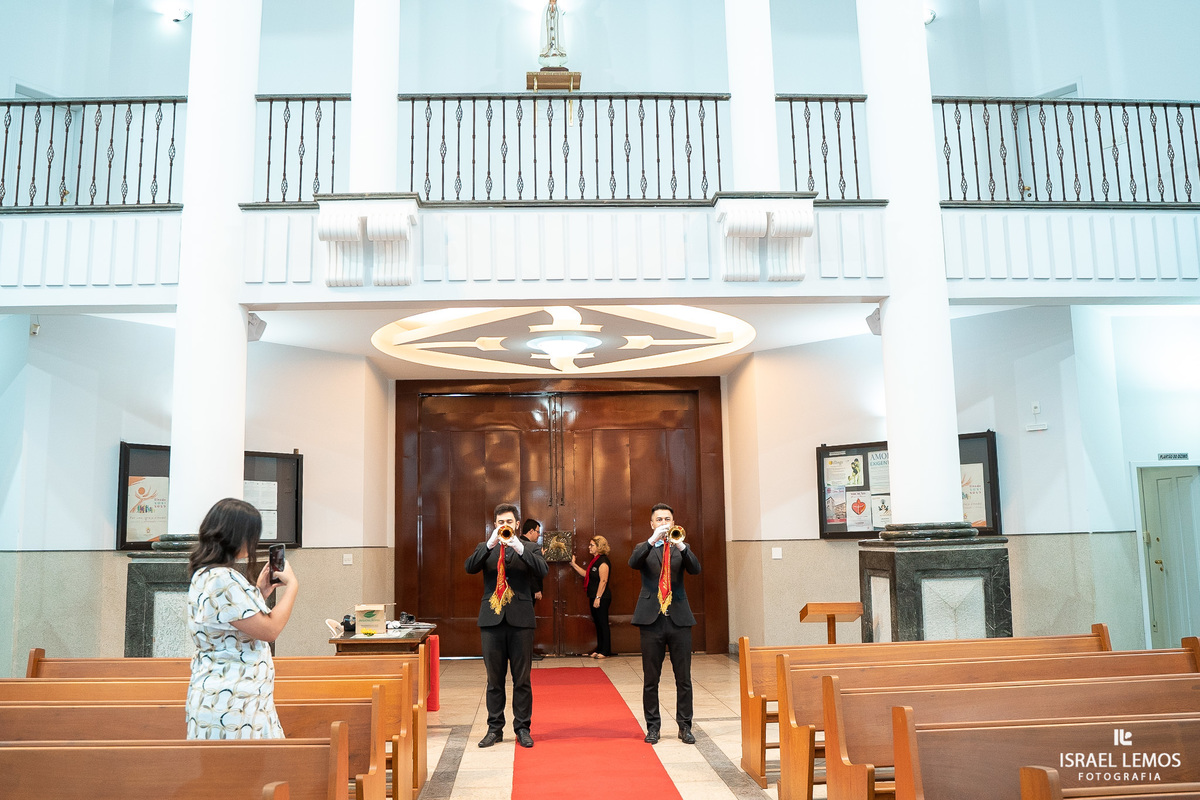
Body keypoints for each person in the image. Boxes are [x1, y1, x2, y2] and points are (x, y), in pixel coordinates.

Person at [185, 497, 299, 739]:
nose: (254, 541)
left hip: (231, 697)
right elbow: (270, 631)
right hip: (233, 703)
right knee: (246, 774)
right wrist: (293, 587)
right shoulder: (223, 579)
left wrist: (260, 592)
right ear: (236, 535)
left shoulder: (206, 574)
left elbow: (232, 622)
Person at [465, 502, 548, 749]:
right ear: (495, 525)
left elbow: (542, 571)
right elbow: (470, 567)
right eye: (501, 522)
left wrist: (520, 548)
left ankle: (522, 728)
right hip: (492, 619)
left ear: (517, 524)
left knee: (522, 679)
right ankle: (494, 728)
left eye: (509, 522)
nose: (505, 526)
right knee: (494, 679)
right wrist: (490, 544)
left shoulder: (531, 547)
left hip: (521, 620)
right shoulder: (485, 548)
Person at [628, 502, 700, 745]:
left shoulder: (682, 546)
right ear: (652, 523)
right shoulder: (643, 547)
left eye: (667, 519)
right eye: (659, 520)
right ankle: (653, 727)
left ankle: (685, 726)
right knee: (651, 679)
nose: (663, 523)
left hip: (679, 619)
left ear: (673, 521)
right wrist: (651, 541)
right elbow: (633, 563)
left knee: (684, 678)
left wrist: (681, 546)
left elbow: (696, 569)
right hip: (651, 620)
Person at [569, 535, 613, 658]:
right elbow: (586, 574)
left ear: (599, 547)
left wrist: (598, 598)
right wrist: (573, 564)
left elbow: (603, 581)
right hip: (594, 596)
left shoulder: (603, 561)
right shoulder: (595, 561)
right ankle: (600, 649)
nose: (589, 547)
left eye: (592, 545)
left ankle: (605, 651)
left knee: (603, 623)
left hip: (602, 598)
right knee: (598, 623)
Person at [520, 518, 546, 661]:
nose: (538, 535)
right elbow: (530, 572)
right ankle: (527, 653)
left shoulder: (521, 544)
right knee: (526, 623)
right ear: (530, 531)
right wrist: (536, 589)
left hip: (521, 591)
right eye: (537, 532)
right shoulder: (530, 547)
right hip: (528, 591)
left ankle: (526, 652)